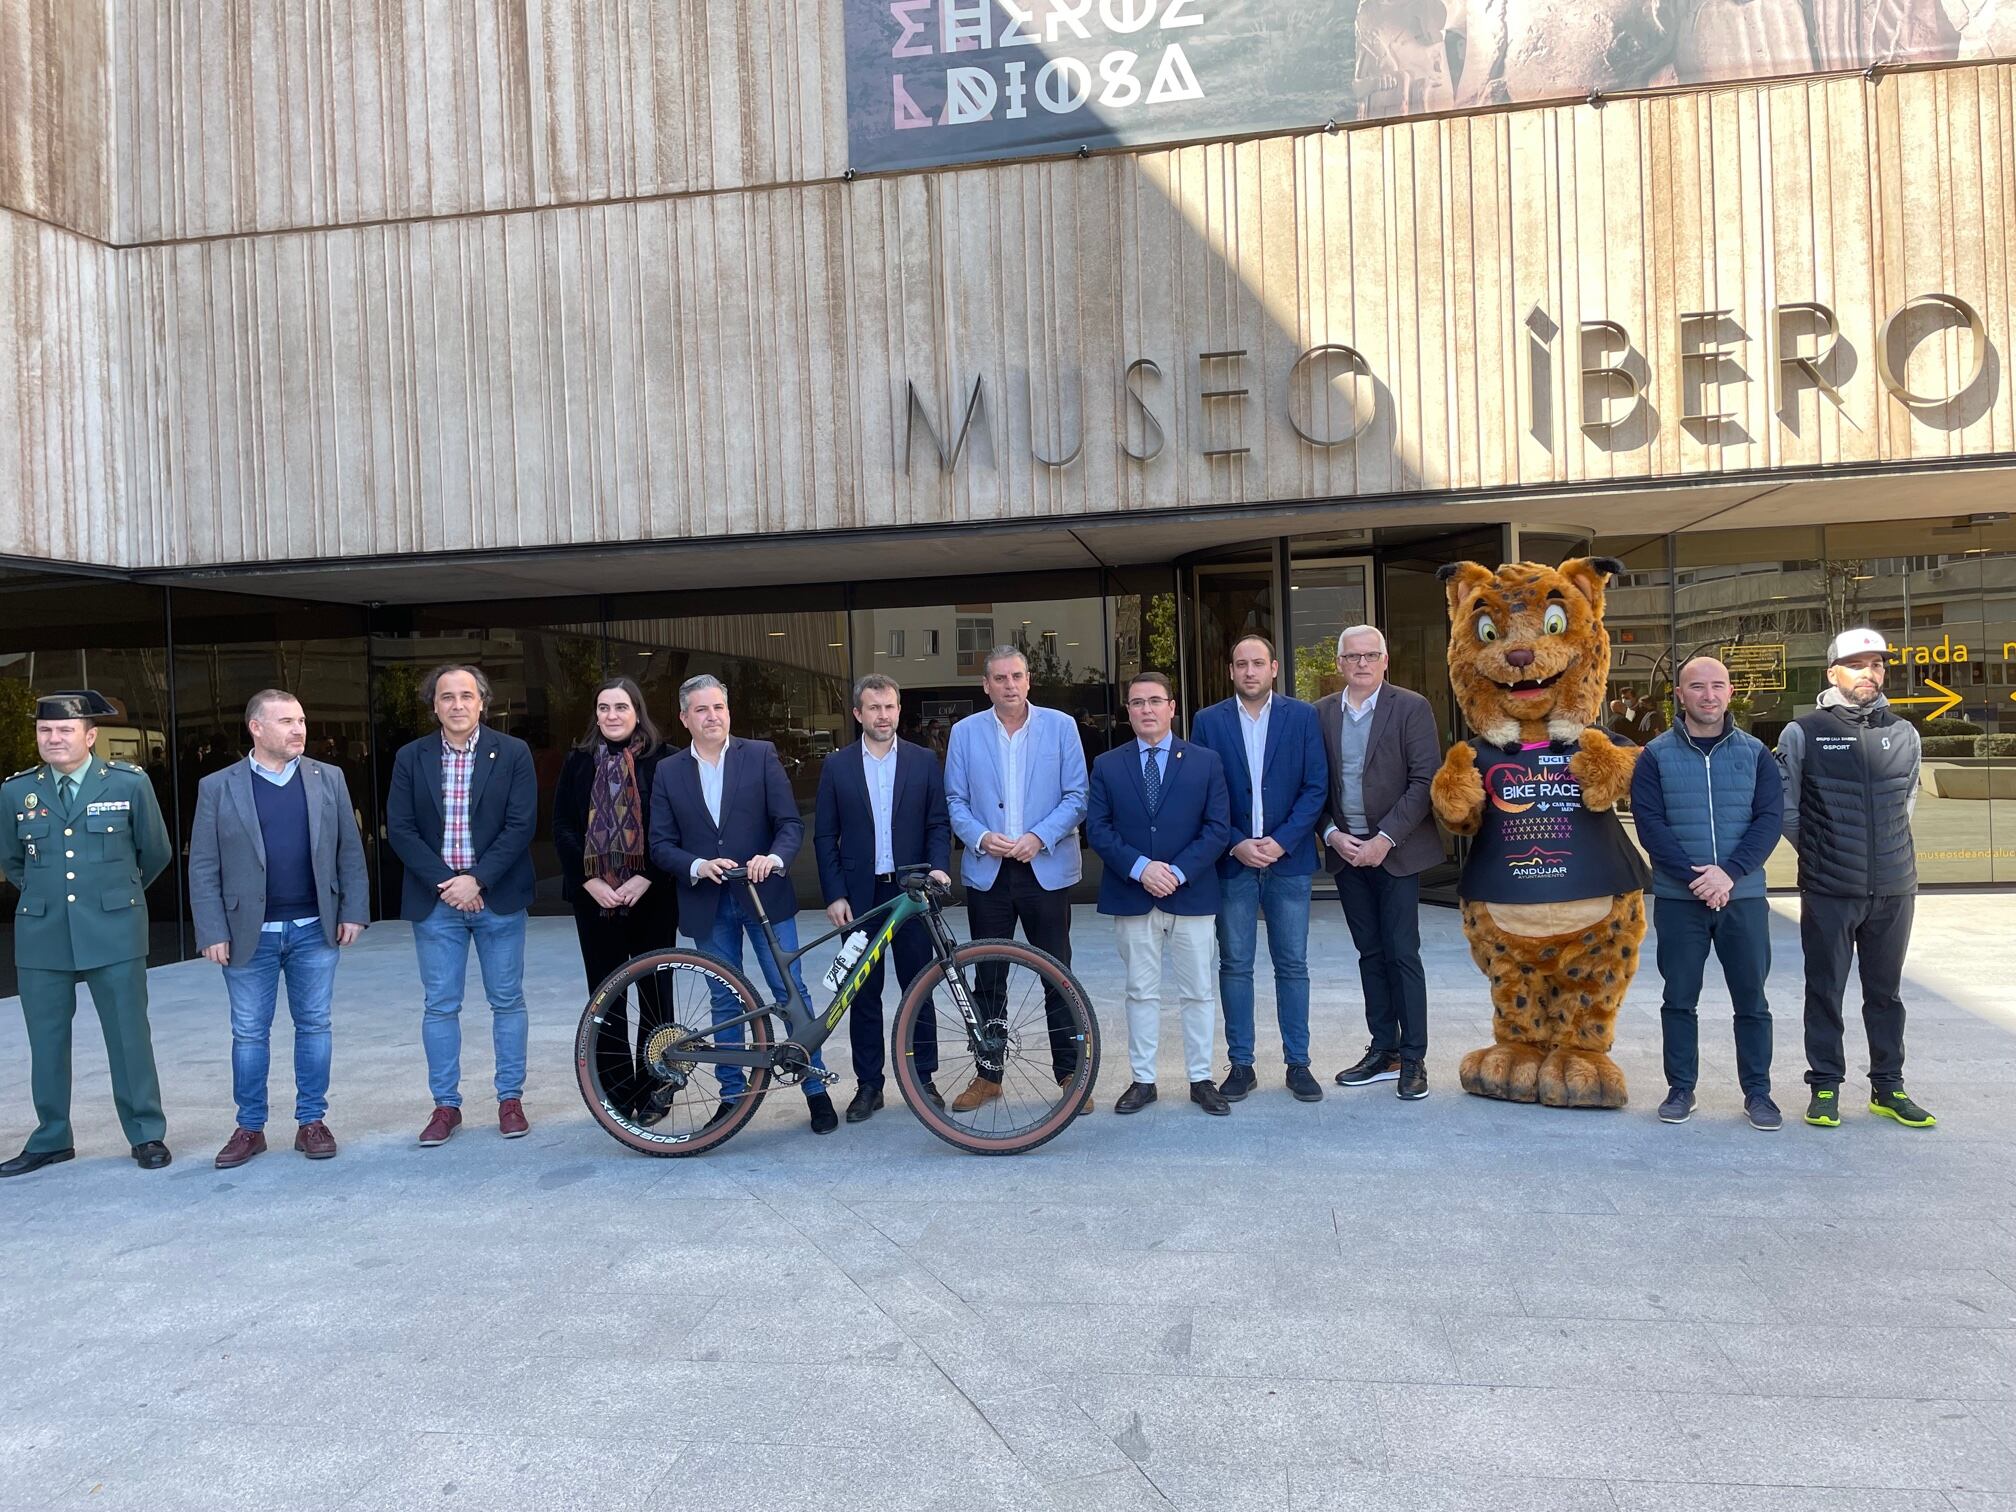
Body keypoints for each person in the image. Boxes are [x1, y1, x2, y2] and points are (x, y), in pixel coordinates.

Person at [649, 674, 839, 1135]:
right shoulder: (668, 771)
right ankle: (732, 1097)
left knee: (790, 990)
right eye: (701, 710)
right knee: (723, 998)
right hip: (706, 901)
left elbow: (790, 824)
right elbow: (659, 843)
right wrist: (696, 864)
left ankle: (815, 1090)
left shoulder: (760, 755)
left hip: (764, 897)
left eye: (718, 707)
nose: (712, 716)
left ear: (728, 711)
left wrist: (772, 859)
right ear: (684, 718)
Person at [188, 690, 370, 1168]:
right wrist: (210, 929)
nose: (299, 729)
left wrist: (354, 910)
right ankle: (250, 1127)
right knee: (249, 1033)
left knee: (315, 1025)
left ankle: (311, 1121)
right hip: (249, 932)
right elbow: (203, 864)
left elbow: (349, 849)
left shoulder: (328, 778)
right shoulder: (218, 786)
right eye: (287, 721)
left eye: (302, 720)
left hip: (315, 927)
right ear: (256, 727)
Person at [0, 691, 174, 1176]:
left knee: (127, 1034)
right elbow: (13, 861)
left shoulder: (128, 783)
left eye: (65, 731)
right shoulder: (16, 792)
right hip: (43, 931)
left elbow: (154, 852)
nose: (53, 738)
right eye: (45, 730)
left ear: (91, 736)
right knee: (46, 1039)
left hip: (114, 926)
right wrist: (47, 894)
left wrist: (114, 892)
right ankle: (52, 1136)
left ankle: (145, 1132)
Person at [1776, 629, 1934, 1129]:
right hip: (1829, 888)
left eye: (1878, 664)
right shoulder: (1802, 732)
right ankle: (1824, 1086)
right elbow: (1787, 809)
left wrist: (1881, 857)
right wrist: (1824, 854)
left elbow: (1904, 806)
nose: (1870, 673)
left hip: (1893, 887)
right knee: (1825, 989)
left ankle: (1888, 1088)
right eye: (1858, 664)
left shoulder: (1905, 734)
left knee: (1885, 994)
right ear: (1833, 673)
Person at [385, 664, 539, 1147]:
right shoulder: (411, 757)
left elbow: (521, 824)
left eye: (466, 696)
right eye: (446, 696)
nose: (457, 704)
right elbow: (401, 827)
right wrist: (447, 883)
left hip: (498, 897)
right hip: (437, 904)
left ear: (481, 703)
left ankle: (510, 1100)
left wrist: (477, 880)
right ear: (434, 705)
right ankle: (445, 1106)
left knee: (507, 1001)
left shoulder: (512, 752)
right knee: (440, 1006)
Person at [1629, 656, 1784, 1131]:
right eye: (1698, 687)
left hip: (1743, 897)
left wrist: (1729, 875)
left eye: (1718, 686)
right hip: (1681, 900)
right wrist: (1698, 879)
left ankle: (1758, 1093)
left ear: (1731, 693)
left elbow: (1769, 821)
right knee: (1679, 998)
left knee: (1752, 1000)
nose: (1709, 695)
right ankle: (1681, 1089)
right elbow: (1650, 825)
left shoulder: (1756, 752)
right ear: (1679, 694)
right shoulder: (1654, 755)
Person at [942, 645, 1091, 1114]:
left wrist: (1038, 837)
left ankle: (1069, 1072)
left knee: (1057, 975)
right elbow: (955, 800)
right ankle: (989, 1075)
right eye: (1000, 678)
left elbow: (1077, 795)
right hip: (989, 873)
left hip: (1044, 868)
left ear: (1029, 681)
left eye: (1017, 676)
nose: (1009, 685)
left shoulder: (1061, 727)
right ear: (986, 685)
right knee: (989, 976)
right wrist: (982, 837)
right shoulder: (965, 733)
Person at [1087, 672, 1236, 1114]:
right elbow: (1098, 829)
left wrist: (1175, 870)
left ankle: (1201, 1078)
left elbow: (1218, 828)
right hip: (1133, 894)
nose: (1146, 710)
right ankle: (1143, 1080)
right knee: (1140, 991)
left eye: (1155, 701)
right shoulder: (1108, 765)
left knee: (1198, 992)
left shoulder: (1205, 761)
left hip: (1190, 893)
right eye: (1137, 703)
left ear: (1173, 708)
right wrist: (1141, 868)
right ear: (1127, 711)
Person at [1187, 635, 1328, 1103]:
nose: (1249, 671)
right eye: (1241, 664)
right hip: (1234, 863)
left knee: (1293, 964)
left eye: (1258, 663)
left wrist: (1282, 841)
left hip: (1289, 861)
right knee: (1235, 964)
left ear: (1274, 669)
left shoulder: (1304, 717)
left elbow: (1315, 788)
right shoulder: (1208, 722)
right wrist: (1236, 843)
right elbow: (1203, 792)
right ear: (1231, 671)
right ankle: (1241, 1064)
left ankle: (1299, 1063)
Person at [814, 674, 953, 1121]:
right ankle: (869, 1085)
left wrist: (937, 869)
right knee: (862, 992)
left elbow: (937, 822)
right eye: (874, 708)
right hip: (860, 898)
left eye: (890, 707)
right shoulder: (837, 766)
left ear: (898, 710)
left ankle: (923, 1079)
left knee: (919, 988)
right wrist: (834, 894)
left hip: (911, 892)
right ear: (858, 714)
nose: (883, 715)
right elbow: (824, 836)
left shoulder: (922, 760)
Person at [1317, 626, 1443, 1101]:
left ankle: (1414, 1058)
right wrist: (1331, 832)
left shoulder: (1410, 707)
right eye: (1352, 656)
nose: (1362, 663)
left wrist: (1385, 839)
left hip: (1396, 853)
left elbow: (1424, 779)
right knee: (1369, 953)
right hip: (1347, 852)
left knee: (1402, 954)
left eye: (1370, 655)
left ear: (1385, 660)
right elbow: (1314, 783)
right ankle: (1383, 1049)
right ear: (1340, 664)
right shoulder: (1322, 713)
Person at [552, 678, 679, 1121]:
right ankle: (618, 1090)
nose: (611, 715)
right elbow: (563, 827)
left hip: (652, 894)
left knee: (655, 995)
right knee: (606, 997)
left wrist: (646, 877)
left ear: (637, 711)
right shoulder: (578, 762)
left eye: (621, 707)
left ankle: (657, 1085)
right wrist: (590, 881)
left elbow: (671, 829)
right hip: (595, 898)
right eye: (603, 707)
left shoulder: (665, 761)